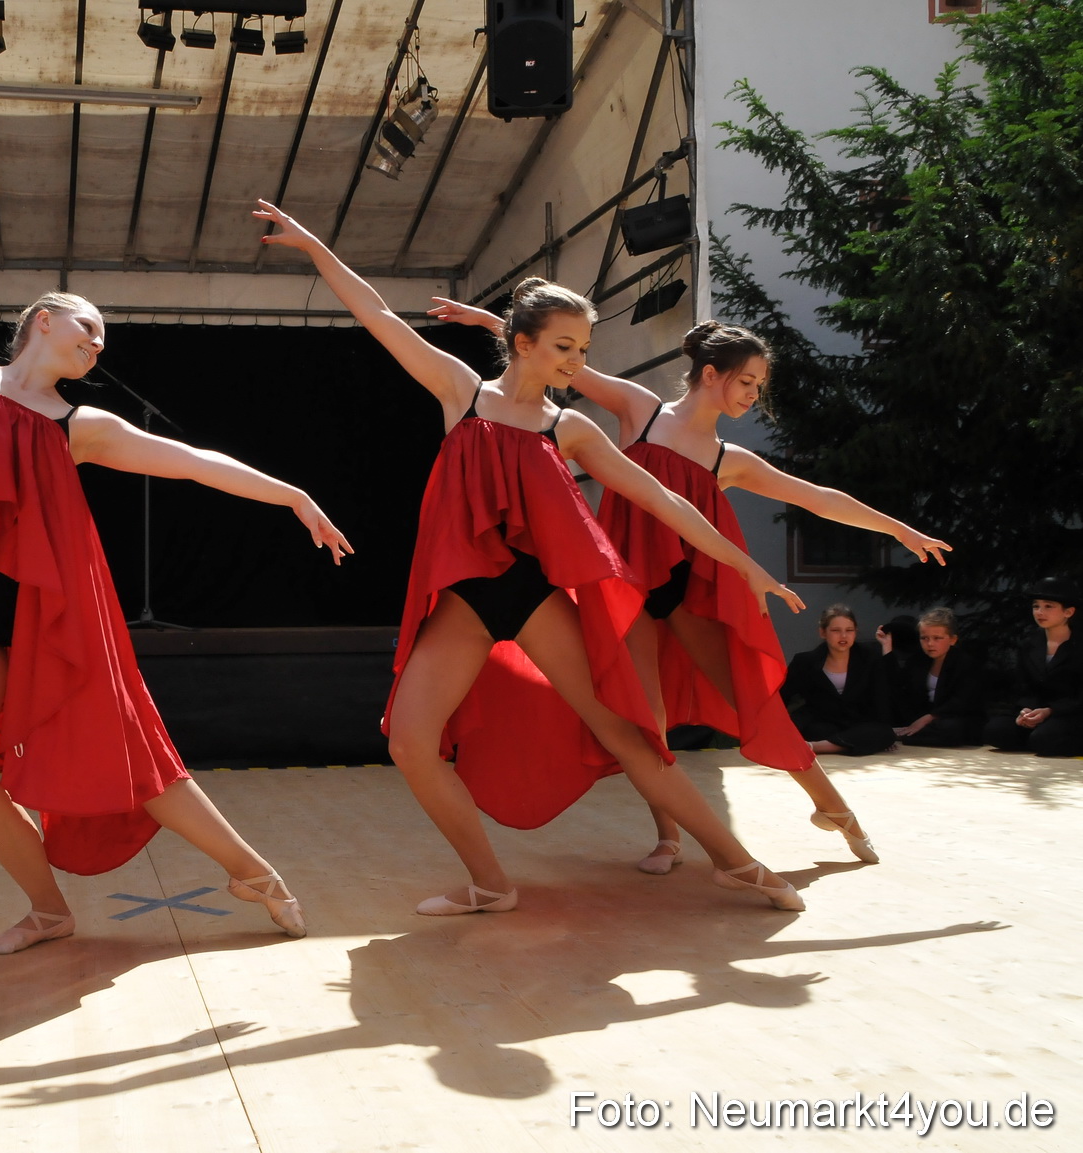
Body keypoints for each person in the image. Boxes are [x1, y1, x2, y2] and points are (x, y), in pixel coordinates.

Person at [0, 174, 354, 954]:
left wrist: (290, 494)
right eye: (87, 330)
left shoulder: (80, 425)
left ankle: (253, 871)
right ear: (44, 322)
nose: (96, 345)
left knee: (135, 757)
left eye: (101, 342)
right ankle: (48, 909)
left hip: (48, 613)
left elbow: (190, 461)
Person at [253, 199, 807, 913]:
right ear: (521, 342)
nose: (575, 362)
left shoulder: (567, 425)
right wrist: (312, 245)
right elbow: (378, 316)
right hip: (463, 599)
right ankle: (490, 884)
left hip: (535, 593)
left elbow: (661, 500)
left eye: (581, 349)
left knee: (628, 734)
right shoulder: (461, 393)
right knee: (410, 745)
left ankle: (737, 864)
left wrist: (744, 564)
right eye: (563, 347)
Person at [429, 310, 951, 869]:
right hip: (624, 588)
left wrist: (896, 527)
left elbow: (817, 497)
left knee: (754, 700)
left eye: (758, 386)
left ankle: (836, 810)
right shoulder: (639, 409)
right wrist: (489, 320)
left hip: (688, 590)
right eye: (747, 381)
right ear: (710, 374)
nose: (753, 394)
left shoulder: (730, 459)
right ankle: (668, 837)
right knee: (643, 718)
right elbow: (550, 360)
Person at [782, 605, 899, 758]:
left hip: (858, 722)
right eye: (836, 630)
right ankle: (839, 744)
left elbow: (881, 696)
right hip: (821, 722)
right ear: (823, 632)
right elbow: (783, 695)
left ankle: (814, 747)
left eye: (849, 630)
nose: (843, 636)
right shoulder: (805, 661)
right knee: (810, 729)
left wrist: (883, 731)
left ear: (855, 632)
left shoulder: (870, 657)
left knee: (884, 733)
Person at [983, 578, 1083, 756]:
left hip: (1070, 714)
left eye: (1048, 606)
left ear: (1068, 611)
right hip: (1039, 712)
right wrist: (1026, 710)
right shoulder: (1030, 643)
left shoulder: (1079, 644)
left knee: (1044, 739)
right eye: (1036, 606)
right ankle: (1037, 736)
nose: (1040, 612)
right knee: (996, 731)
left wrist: (1050, 711)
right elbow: (1023, 687)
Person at [892, 607, 986, 747]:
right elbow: (902, 690)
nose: (930, 644)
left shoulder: (965, 663)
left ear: (952, 640)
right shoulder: (917, 661)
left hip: (953, 717)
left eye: (937, 638)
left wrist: (930, 717)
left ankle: (911, 736)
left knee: (952, 729)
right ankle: (910, 734)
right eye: (924, 638)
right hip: (924, 715)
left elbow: (962, 701)